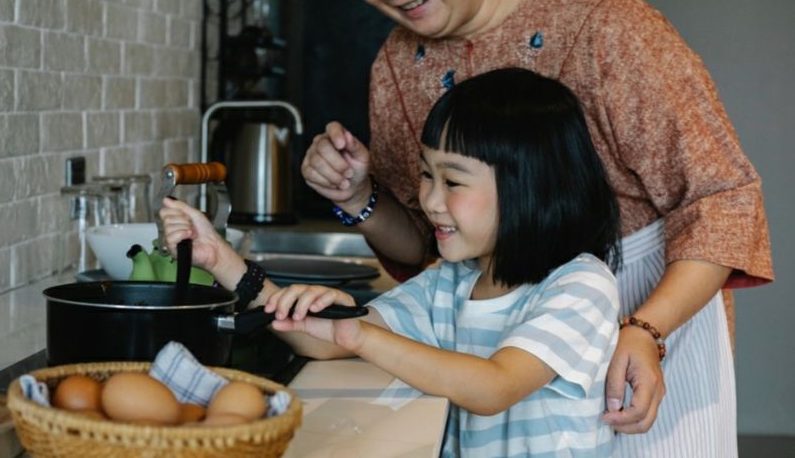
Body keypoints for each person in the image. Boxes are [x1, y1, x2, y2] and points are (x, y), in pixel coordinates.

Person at [298, 0, 774, 455]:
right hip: (491, 337)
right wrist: (359, 196)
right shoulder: (397, 65)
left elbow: (724, 200)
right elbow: (430, 240)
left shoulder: (606, 24)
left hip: (645, 305)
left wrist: (647, 329)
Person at [163, 68, 624, 456]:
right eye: (426, 174)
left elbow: (494, 387)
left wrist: (360, 335)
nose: (430, 200)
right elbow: (320, 339)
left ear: (532, 187)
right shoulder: (451, 282)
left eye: (453, 182)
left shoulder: (580, 285)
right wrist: (221, 260)